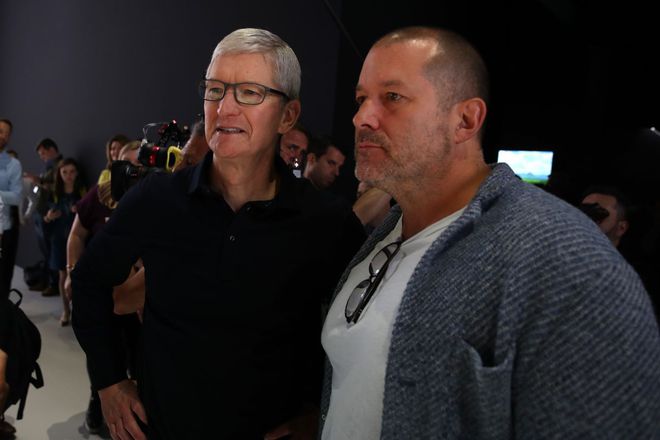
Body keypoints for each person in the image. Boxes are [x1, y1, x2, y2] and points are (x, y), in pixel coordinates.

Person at [320, 26, 660, 439]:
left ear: (465, 119)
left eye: (392, 97)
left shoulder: (568, 262)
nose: (361, 118)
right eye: (361, 99)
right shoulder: (388, 234)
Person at [72, 28, 364, 440]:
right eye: (214, 90)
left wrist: (320, 412)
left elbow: (360, 335)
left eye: (249, 93)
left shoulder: (324, 220)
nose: (224, 108)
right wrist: (109, 381)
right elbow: (89, 282)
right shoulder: (158, 199)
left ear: (288, 116)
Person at [43, 158, 86, 325]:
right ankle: (66, 310)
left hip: (79, 239)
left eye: (72, 172)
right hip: (59, 239)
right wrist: (49, 216)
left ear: (77, 173)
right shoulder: (54, 192)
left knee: (79, 275)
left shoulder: (82, 191)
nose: (69, 175)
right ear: (59, 174)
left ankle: (79, 311)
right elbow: (44, 217)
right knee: (63, 275)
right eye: (65, 172)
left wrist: (80, 210)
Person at [25, 138, 63, 296]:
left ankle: (54, 284)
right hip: (41, 214)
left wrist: (39, 181)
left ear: (51, 149)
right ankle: (46, 281)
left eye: (43, 153)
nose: (42, 157)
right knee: (46, 251)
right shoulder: (49, 167)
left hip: (50, 215)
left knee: (51, 252)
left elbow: (56, 188)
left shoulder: (61, 166)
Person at [0, 119, 22, 299]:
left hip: (4, 230)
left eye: (4, 132)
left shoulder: (14, 165)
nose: (1, 135)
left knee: (2, 279)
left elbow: (16, 196)